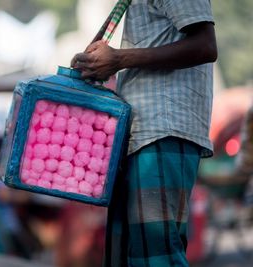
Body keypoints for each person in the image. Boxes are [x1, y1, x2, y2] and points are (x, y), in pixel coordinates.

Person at [72, 1, 217, 266]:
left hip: (162, 130)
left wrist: (119, 59)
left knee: (156, 257)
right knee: (131, 256)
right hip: (140, 134)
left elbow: (205, 46)